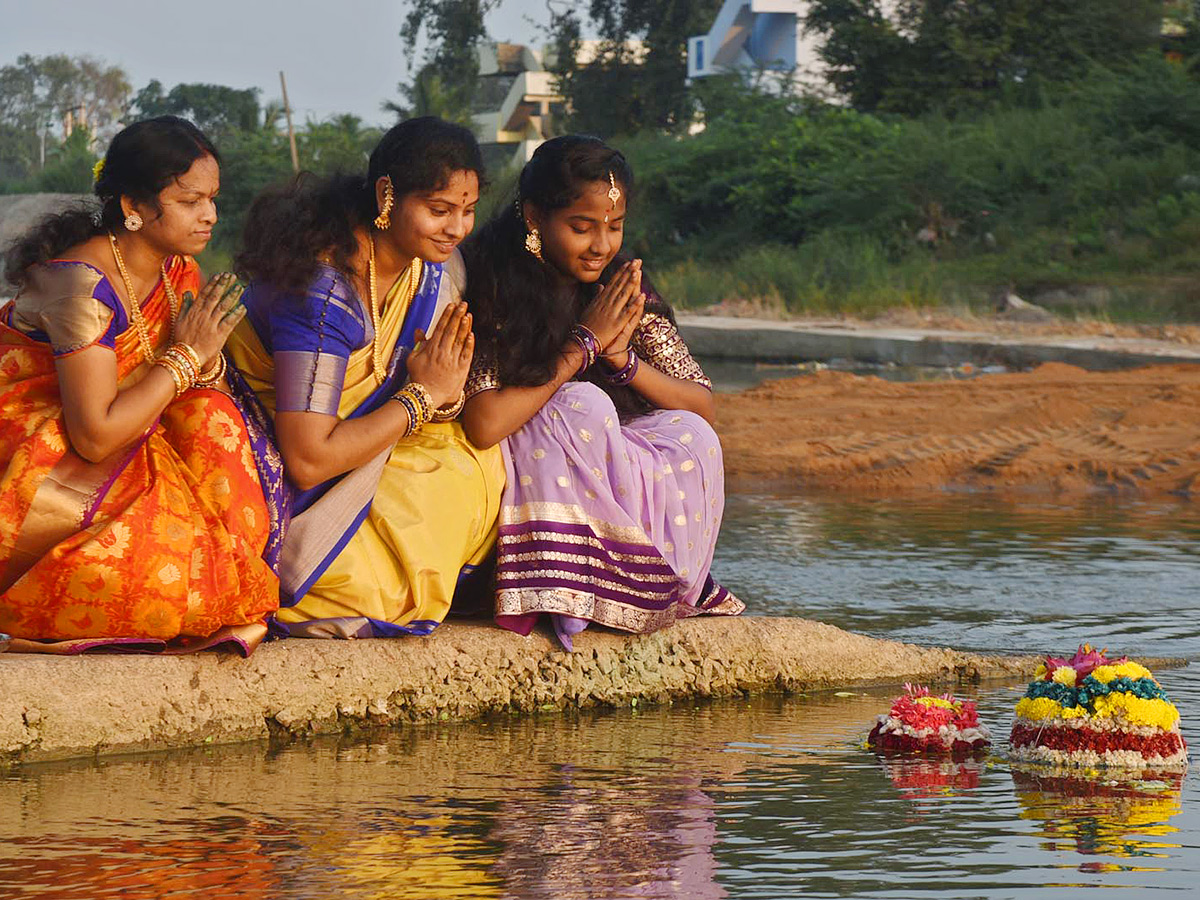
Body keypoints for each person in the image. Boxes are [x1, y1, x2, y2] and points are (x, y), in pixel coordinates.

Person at [0, 115, 287, 654]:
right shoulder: (80, 287)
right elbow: (94, 437)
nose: (210, 217)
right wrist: (185, 358)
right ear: (133, 208)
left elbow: (182, 384)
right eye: (190, 201)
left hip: (134, 434)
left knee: (213, 416)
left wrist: (202, 365)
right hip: (48, 450)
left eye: (213, 199)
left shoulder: (177, 270)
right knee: (161, 586)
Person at [460, 135, 743, 649]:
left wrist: (621, 361)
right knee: (579, 403)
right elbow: (484, 423)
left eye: (614, 227)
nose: (601, 246)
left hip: (602, 449)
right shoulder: (491, 281)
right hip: (524, 454)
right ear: (533, 217)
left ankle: (649, 586)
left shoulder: (621, 282)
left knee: (691, 436)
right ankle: (571, 586)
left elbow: (701, 404)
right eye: (581, 227)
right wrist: (582, 347)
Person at [228, 116, 504, 638]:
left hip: (350, 453)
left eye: (467, 212)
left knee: (473, 458)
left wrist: (440, 396)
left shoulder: (428, 268)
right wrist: (422, 398)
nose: (457, 228)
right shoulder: (323, 292)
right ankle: (320, 587)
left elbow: (431, 387)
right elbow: (307, 461)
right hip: (274, 481)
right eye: (439, 210)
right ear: (386, 194)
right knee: (421, 510)